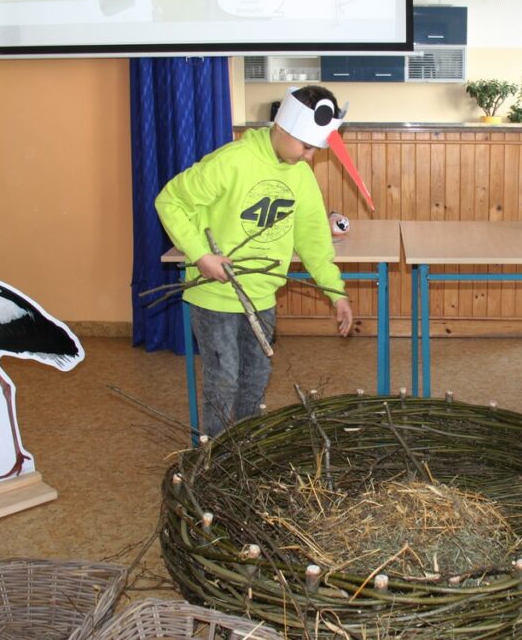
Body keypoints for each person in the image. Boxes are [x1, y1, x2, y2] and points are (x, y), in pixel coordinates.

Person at [155, 85, 372, 437]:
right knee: (224, 380)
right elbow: (170, 201)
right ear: (283, 129)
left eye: (315, 149)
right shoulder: (231, 161)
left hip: (262, 295)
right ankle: (217, 455)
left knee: (255, 379)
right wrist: (201, 255)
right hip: (215, 295)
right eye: (306, 147)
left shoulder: (300, 175)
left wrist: (336, 293)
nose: (310, 156)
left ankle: (243, 449)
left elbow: (314, 239)